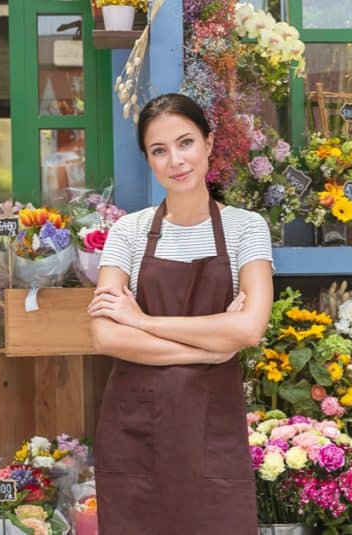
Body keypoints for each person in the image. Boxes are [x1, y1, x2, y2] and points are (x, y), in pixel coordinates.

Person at [88, 93, 273, 534]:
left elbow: (248, 328)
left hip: (212, 432)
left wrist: (143, 321)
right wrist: (210, 348)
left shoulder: (246, 228)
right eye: (159, 150)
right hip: (134, 434)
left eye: (185, 142)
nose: (176, 160)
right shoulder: (127, 233)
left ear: (209, 144)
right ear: (148, 160)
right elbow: (107, 338)